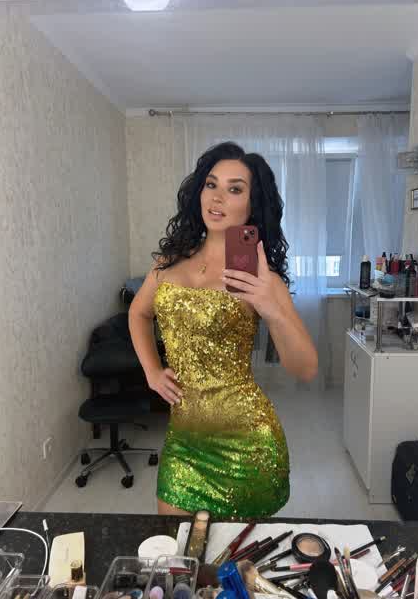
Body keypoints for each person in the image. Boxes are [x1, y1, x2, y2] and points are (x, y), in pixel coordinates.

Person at [128, 141, 318, 517]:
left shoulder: (261, 278)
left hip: (246, 446)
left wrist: (270, 307)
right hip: (184, 444)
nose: (217, 197)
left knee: (238, 555)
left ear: (251, 205)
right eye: (211, 184)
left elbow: (306, 368)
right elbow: (138, 314)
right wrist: (151, 371)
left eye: (235, 189)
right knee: (177, 549)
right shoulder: (168, 263)